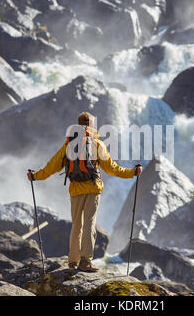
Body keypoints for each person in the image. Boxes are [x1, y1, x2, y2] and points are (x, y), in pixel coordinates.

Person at [27, 112, 142, 272]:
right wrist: (132, 172)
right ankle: (85, 262)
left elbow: (51, 167)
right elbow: (112, 168)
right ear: (92, 125)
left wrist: (34, 176)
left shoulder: (68, 145)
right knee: (89, 225)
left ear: (78, 124)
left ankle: (73, 261)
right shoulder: (97, 144)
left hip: (75, 190)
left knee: (76, 226)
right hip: (93, 189)